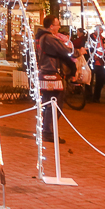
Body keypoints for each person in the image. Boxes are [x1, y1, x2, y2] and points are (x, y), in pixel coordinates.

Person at [37, 15, 77, 144]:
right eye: (57, 24)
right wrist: (78, 52)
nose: (59, 26)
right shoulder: (49, 38)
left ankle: (46, 130)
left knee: (49, 103)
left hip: (47, 72)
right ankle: (48, 132)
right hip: (51, 74)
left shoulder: (44, 37)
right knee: (54, 104)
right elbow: (65, 51)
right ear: (51, 26)